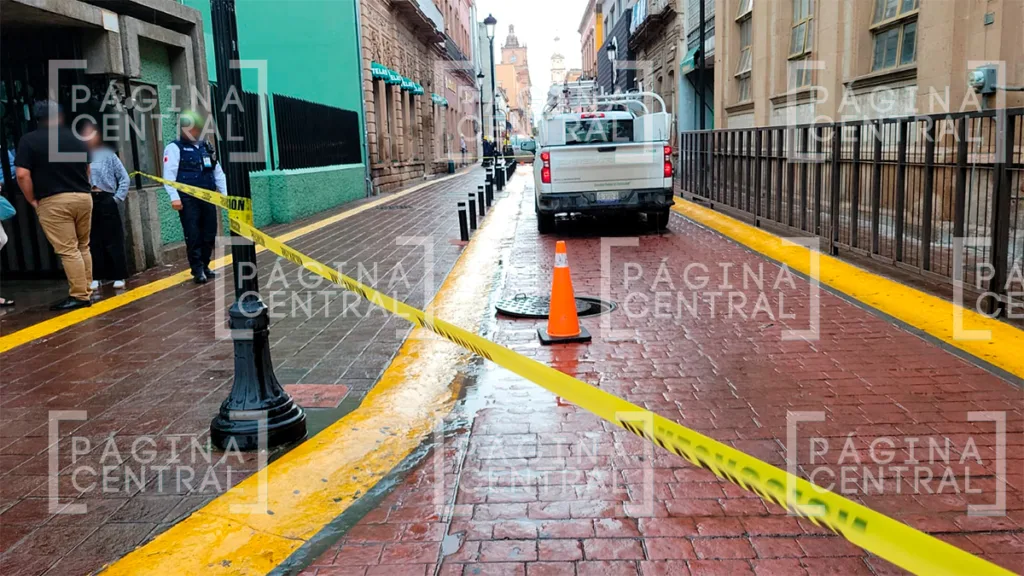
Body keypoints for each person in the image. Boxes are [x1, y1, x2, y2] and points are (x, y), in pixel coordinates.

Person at [14, 101, 94, 311]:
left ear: (38, 120)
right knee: (83, 245)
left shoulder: (29, 141)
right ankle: (86, 289)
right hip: (83, 197)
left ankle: (79, 296)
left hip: (54, 200)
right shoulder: (77, 138)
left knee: (68, 250)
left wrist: (32, 200)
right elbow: (87, 169)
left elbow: (22, 174)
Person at [162, 110, 226, 284]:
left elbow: (217, 172)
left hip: (208, 197)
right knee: (193, 233)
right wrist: (174, 197)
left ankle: (205, 265)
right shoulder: (174, 148)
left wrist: (225, 196)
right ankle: (197, 269)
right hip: (188, 199)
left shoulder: (206, 147)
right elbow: (169, 176)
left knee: (210, 232)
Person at [82, 121, 130, 290]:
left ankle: (119, 275)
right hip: (88, 199)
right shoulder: (81, 155)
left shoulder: (109, 155)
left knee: (113, 238)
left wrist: (117, 198)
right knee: (93, 239)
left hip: (107, 198)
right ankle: (96, 276)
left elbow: (124, 178)